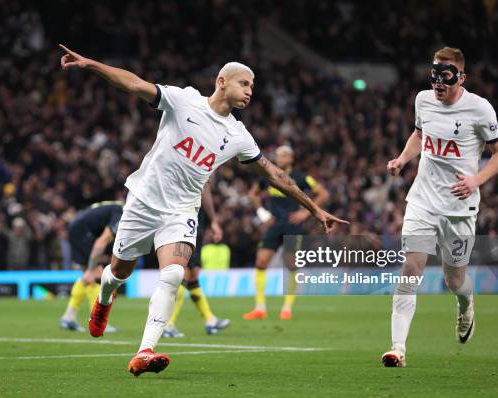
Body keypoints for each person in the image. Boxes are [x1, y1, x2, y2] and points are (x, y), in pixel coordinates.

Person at [59, 44, 348, 377]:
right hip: (142, 202)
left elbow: (274, 174)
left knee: (173, 273)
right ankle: (104, 299)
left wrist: (314, 209)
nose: (250, 92)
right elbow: (135, 84)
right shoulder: (184, 101)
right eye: (245, 84)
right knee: (118, 271)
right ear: (222, 81)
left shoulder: (238, 135)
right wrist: (92, 64)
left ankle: (145, 351)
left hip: (181, 211)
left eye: (253, 86)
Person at [382, 47, 498, 367]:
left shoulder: (480, 109)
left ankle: (466, 304)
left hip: (458, 207)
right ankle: (398, 348)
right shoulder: (422, 100)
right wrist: (402, 159)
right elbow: (418, 134)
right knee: (410, 271)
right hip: (422, 201)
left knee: (455, 281)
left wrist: (476, 180)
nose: (438, 83)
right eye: (434, 76)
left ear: (461, 78)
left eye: (445, 77)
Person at [243, 146, 329, 320]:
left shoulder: (301, 177)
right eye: (278, 155)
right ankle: (260, 308)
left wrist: (305, 212)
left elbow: (323, 193)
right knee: (261, 262)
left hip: (292, 225)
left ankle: (287, 308)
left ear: (291, 158)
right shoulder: (268, 174)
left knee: (291, 265)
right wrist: (262, 212)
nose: (279, 158)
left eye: (283, 155)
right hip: (274, 225)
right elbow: (253, 194)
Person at [162, 183, 230, 338]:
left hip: (179, 221)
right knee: (185, 273)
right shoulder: (199, 167)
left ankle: (210, 319)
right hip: (189, 223)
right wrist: (214, 220)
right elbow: (204, 190)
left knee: (192, 274)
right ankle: (167, 324)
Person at [59, 201, 123, 333]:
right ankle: (98, 322)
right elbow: (101, 242)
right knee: (97, 275)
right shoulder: (122, 213)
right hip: (83, 232)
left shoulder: (115, 206)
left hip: (77, 227)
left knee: (88, 277)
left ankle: (68, 317)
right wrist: (91, 268)